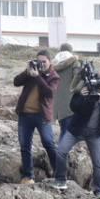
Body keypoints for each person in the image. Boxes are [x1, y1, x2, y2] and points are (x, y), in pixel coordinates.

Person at [52, 68, 100, 199]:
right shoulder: (86, 87)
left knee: (98, 162)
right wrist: (81, 95)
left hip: (96, 133)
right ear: (95, 77)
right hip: (77, 129)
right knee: (61, 151)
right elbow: (73, 106)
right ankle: (60, 179)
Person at [13, 50, 59, 184]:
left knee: (48, 143)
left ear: (50, 62)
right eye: (40, 61)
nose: (42, 64)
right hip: (25, 114)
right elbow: (16, 82)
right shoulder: (31, 71)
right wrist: (27, 71)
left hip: (42, 116)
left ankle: (59, 174)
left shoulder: (54, 76)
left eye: (44, 62)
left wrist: (38, 76)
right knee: (25, 146)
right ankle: (28, 176)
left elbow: (49, 92)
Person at [52, 43, 81, 143]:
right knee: (67, 133)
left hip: (56, 105)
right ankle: (63, 155)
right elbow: (77, 81)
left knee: (63, 130)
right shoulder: (75, 63)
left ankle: (62, 153)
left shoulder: (53, 65)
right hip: (69, 104)